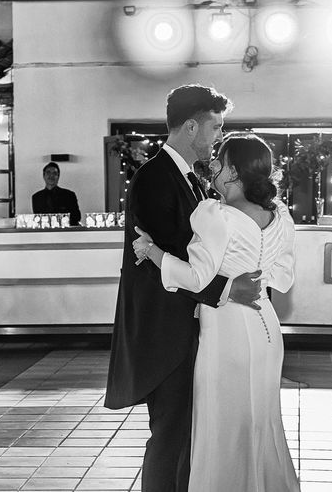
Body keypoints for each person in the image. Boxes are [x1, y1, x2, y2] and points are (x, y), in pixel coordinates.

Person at [104, 85, 264, 492]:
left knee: (185, 436)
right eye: (215, 127)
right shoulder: (154, 178)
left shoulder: (188, 178)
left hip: (185, 328)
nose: (218, 138)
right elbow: (174, 260)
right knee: (171, 437)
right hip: (164, 333)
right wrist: (227, 291)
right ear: (191, 126)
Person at [132, 133, 299, 492]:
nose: (213, 169)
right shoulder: (280, 215)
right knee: (260, 419)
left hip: (227, 328)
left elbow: (195, 277)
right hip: (264, 322)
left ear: (235, 172)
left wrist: (152, 250)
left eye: (219, 163)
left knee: (221, 421)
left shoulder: (215, 214)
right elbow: (283, 278)